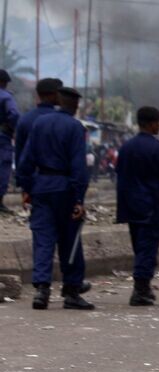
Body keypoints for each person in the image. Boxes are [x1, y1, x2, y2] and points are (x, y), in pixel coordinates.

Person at [17, 86, 92, 310]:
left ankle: (41, 290)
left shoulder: (39, 123)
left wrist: (28, 188)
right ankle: (71, 291)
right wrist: (79, 198)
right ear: (76, 105)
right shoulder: (76, 127)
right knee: (70, 241)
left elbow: (25, 161)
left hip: (41, 188)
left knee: (43, 239)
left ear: (59, 100)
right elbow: (79, 166)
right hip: (65, 189)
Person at [115, 106, 159, 307]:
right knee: (148, 247)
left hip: (130, 204)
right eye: (158, 122)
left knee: (139, 245)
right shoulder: (158, 148)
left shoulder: (126, 147)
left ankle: (143, 286)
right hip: (151, 204)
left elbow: (121, 174)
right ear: (152, 123)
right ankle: (141, 290)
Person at [13, 78, 62, 205]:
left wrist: (23, 185)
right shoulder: (63, 120)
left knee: (39, 219)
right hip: (59, 182)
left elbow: (20, 154)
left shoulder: (25, 120)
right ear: (53, 94)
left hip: (34, 181)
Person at [0, 69, 21, 214]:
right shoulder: (6, 97)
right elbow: (14, 115)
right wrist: (13, 129)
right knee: (3, 167)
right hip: (2, 137)